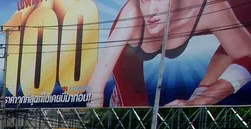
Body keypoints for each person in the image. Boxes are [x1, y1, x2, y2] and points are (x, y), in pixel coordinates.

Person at [84, 0, 251, 109]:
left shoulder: (212, 8)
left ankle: (203, 88)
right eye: (145, 0)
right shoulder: (133, 12)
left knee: (242, 39)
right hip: (127, 61)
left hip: (215, 15)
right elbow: (96, 83)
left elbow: (248, 56)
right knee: (135, 113)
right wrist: (94, 119)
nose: (150, 11)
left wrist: (201, 100)